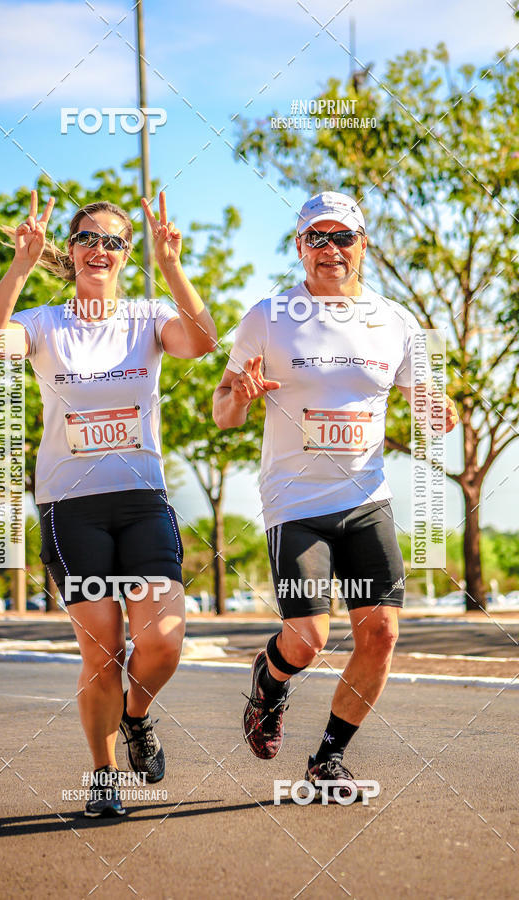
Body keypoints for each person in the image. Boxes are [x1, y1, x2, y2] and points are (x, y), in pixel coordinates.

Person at [0, 189, 216, 817]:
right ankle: (105, 774)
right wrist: (21, 265)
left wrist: (172, 266)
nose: (100, 249)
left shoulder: (149, 314)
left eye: (114, 241)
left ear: (126, 255)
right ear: (72, 251)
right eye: (88, 239)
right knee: (102, 649)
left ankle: (138, 714)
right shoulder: (46, 323)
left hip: (141, 500)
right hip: (70, 506)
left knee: (162, 642)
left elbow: (203, 342)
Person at [213, 191, 458, 799]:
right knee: (309, 638)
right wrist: (239, 396)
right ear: (299, 248)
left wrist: (438, 410)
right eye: (316, 238)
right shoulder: (267, 316)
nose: (330, 250)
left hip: (367, 497)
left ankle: (327, 758)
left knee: (382, 635)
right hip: (294, 501)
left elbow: (432, 405)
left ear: (363, 245)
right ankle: (268, 687)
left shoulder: (396, 321)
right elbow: (221, 412)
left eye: (342, 237)